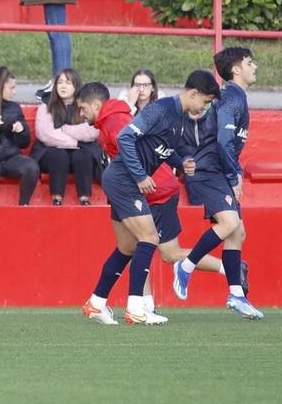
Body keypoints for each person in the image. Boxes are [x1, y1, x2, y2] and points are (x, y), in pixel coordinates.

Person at [79, 74, 220, 325]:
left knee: (127, 248)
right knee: (150, 238)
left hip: (122, 180)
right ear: (194, 94)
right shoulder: (161, 110)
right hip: (125, 180)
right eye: (206, 102)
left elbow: (159, 148)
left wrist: (180, 162)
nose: (205, 108)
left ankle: (96, 303)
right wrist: (141, 175)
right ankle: (136, 308)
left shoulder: (178, 116)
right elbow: (125, 137)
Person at [171, 59, 264, 320]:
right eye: (249, 62)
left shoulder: (233, 97)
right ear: (236, 69)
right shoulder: (232, 98)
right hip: (210, 170)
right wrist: (235, 174)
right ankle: (186, 266)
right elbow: (224, 140)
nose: (254, 66)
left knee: (237, 233)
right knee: (229, 223)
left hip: (218, 169)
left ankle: (236, 294)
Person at [31, 67, 103, 205]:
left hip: (80, 153)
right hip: (51, 153)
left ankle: (84, 198)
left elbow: (92, 131)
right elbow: (46, 134)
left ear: (76, 86)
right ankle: (57, 198)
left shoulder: (84, 106)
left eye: (68, 83)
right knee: (59, 155)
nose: (63, 86)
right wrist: (75, 142)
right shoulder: (47, 106)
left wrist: (65, 129)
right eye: (60, 82)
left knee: (83, 156)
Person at [0, 65, 41, 206]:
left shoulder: (15, 108)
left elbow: (24, 143)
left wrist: (21, 131)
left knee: (31, 167)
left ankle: (24, 205)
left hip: (10, 156)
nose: (14, 92)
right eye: (11, 88)